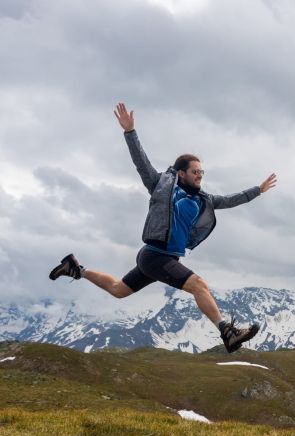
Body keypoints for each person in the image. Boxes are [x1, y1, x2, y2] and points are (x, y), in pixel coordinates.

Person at [49, 102, 277, 353]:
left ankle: (76, 269)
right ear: (181, 173)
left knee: (118, 290)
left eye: (202, 171)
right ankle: (227, 331)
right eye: (195, 171)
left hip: (159, 258)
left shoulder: (204, 200)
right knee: (199, 285)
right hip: (156, 254)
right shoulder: (160, 185)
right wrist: (130, 132)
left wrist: (258, 190)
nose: (200, 174)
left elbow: (231, 200)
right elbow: (140, 162)